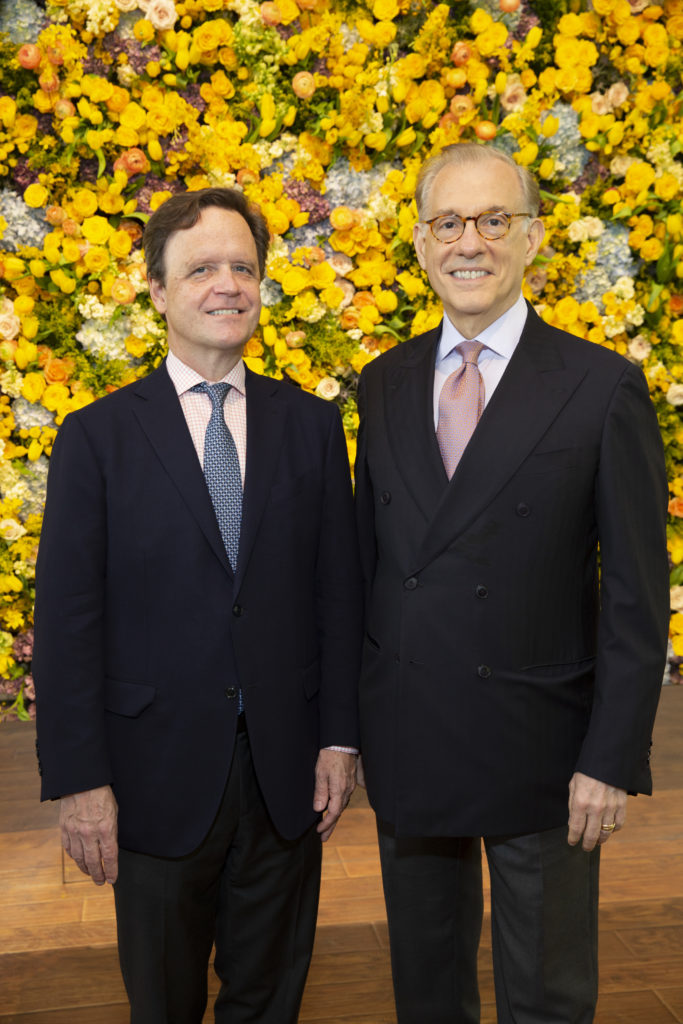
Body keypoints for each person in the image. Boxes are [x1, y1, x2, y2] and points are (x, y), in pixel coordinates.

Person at [354, 143, 670, 1024]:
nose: (470, 241)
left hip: (545, 745)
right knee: (426, 988)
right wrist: (347, 731)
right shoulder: (380, 384)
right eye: (448, 222)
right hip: (411, 734)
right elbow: (366, 571)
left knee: (547, 993)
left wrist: (609, 760)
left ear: (532, 239)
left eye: (494, 220)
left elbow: (638, 599)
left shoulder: (600, 387)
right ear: (419, 245)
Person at [33, 187, 363, 1024]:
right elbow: (69, 624)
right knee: (163, 1003)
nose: (227, 285)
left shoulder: (312, 427)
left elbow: (337, 594)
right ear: (156, 290)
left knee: (270, 999)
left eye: (243, 267)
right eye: (202, 269)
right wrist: (80, 782)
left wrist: (338, 736)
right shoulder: (95, 438)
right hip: (151, 779)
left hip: (285, 774)